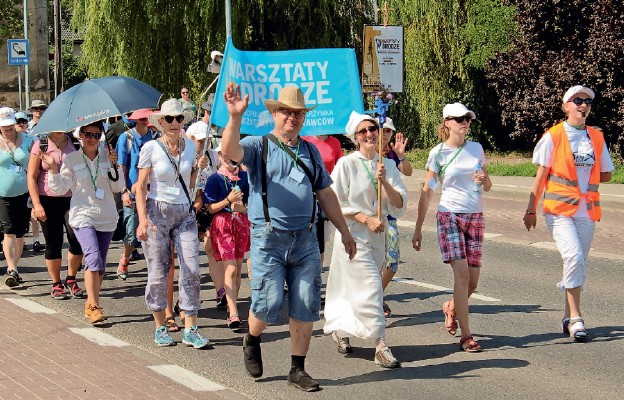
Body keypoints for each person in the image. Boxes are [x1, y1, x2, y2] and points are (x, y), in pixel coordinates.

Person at [221, 83, 356, 392]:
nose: (291, 118)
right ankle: (252, 338)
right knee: (268, 303)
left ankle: (297, 369)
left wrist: (345, 233)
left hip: (306, 239)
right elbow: (230, 150)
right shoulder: (260, 145)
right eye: (285, 112)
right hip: (269, 239)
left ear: (303, 118)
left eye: (297, 114)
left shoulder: (310, 151)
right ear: (275, 113)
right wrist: (234, 118)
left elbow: (325, 193)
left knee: (306, 302)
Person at [523, 85, 614, 342]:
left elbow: (607, 173)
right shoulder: (553, 136)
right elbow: (541, 175)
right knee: (573, 255)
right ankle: (576, 317)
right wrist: (531, 209)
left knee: (578, 262)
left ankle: (567, 317)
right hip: (559, 210)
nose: (583, 105)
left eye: (587, 102)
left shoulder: (596, 137)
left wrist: (587, 172)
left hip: (587, 210)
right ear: (566, 106)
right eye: (577, 101)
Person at [323, 112, 407, 368]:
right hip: (352, 237)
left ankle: (341, 330)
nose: (370, 134)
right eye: (363, 131)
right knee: (372, 287)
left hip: (377, 238)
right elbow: (336, 202)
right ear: (355, 137)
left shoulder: (388, 165)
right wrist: (365, 219)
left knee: (353, 291)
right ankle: (380, 345)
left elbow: (400, 203)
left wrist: (385, 183)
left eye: (373, 129)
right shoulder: (346, 164)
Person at [411, 102, 491, 353]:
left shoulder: (476, 149)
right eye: (458, 119)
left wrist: (482, 178)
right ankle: (467, 336)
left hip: (475, 216)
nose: (464, 122)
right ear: (447, 123)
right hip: (450, 216)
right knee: (463, 275)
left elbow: (487, 185)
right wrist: (418, 228)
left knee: (474, 282)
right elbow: (427, 191)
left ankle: (451, 308)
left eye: (467, 117)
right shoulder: (439, 154)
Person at [135, 99, 210, 349]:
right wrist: (143, 220)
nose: (175, 123)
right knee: (158, 270)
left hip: (185, 212)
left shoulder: (190, 147)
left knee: (192, 269)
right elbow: (141, 187)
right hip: (157, 211)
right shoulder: (151, 148)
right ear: (161, 122)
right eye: (170, 119)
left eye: (179, 118)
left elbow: (189, 185)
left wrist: (199, 169)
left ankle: (190, 328)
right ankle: (160, 325)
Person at [43, 121, 124, 323]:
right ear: (80, 135)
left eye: (96, 135)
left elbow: (118, 186)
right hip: (82, 215)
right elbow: (60, 189)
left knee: (100, 266)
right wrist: (53, 168)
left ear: (101, 138)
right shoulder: (71, 159)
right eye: (88, 134)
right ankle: (95, 305)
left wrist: (116, 165)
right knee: (93, 258)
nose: (92, 138)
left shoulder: (108, 157)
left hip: (106, 216)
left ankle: (90, 302)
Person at [28, 130, 84, 300]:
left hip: (72, 199)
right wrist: (36, 204)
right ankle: (56, 283)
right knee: (54, 242)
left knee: (77, 239)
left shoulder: (75, 144)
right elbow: (31, 177)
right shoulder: (41, 145)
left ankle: (71, 278)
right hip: (47, 199)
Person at [204, 146, 250, 331]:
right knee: (230, 268)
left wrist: (243, 208)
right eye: (227, 155)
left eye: (235, 155)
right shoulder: (214, 179)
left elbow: (250, 201)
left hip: (241, 223)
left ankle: (233, 303)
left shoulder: (245, 177)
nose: (231, 159)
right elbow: (211, 208)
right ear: (221, 156)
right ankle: (233, 313)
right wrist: (229, 201)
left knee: (238, 267)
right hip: (222, 224)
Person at [116, 109, 158, 280]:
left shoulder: (155, 137)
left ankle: (154, 268)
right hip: (132, 194)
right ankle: (125, 258)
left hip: (154, 193)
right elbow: (121, 167)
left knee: (154, 234)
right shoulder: (126, 138)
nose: (144, 121)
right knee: (132, 234)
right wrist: (124, 191)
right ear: (134, 120)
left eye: (147, 118)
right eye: (141, 119)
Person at [378, 117, 413, 318]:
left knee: (392, 261)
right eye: (382, 130)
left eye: (389, 131)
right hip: (369, 217)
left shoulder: (391, 156)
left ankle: (377, 294)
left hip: (389, 217)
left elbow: (408, 172)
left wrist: (401, 156)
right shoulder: (366, 154)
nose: (385, 135)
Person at [0, 108, 34, 287]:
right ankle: (11, 268)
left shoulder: (28, 140)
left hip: (25, 192)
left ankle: (15, 267)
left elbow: (38, 161)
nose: (8, 129)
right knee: (9, 230)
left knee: (20, 232)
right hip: (2, 195)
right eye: (4, 126)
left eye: (10, 125)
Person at [302, 134, 344, 267]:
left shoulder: (334, 143)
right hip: (306, 196)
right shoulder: (304, 140)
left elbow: (341, 168)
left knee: (321, 240)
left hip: (325, 195)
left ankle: (316, 277)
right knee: (303, 238)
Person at [15, 111, 44, 252]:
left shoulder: (31, 140)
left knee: (33, 211)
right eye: (18, 121)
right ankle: (21, 239)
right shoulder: (5, 140)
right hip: (14, 184)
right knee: (18, 214)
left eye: (23, 121)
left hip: (30, 179)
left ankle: (36, 240)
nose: (21, 124)